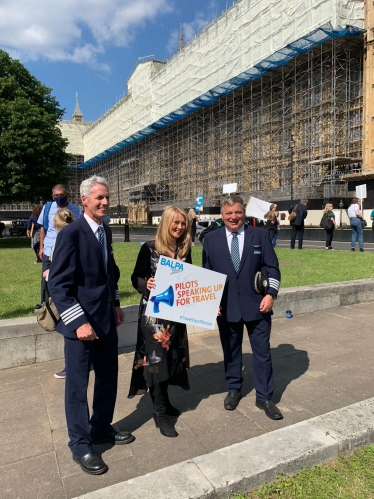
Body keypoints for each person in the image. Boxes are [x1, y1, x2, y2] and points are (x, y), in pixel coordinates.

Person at [48, 176, 134, 475]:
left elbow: (109, 273)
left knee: (108, 378)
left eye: (107, 197)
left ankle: (100, 428)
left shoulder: (105, 231)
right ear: (84, 200)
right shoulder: (71, 234)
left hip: (106, 321)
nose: (105, 202)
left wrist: (116, 305)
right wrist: (78, 322)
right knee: (77, 387)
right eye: (99, 198)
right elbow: (58, 285)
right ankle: (80, 445)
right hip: (81, 326)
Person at [203, 195, 283, 420]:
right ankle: (234, 389)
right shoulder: (210, 240)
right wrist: (210, 303)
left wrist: (271, 294)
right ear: (222, 215)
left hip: (258, 306)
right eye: (228, 214)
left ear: (243, 213)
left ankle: (265, 397)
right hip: (226, 307)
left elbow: (273, 267)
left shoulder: (260, 235)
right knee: (231, 352)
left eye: (237, 212)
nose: (233, 217)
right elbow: (207, 274)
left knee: (263, 353)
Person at [128, 206, 191, 438]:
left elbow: (190, 281)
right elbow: (135, 277)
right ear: (165, 223)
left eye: (183, 223)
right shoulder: (149, 248)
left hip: (176, 315)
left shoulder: (184, 249)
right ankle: (160, 413)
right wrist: (147, 285)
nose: (179, 227)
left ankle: (164, 402)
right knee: (156, 362)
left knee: (172, 359)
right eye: (175, 223)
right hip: (153, 317)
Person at [37, 184, 81, 379]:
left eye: (61, 196)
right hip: (50, 256)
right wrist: (42, 249)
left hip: (61, 261)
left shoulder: (76, 211)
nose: (58, 199)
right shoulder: (47, 209)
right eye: (56, 196)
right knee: (51, 295)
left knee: (61, 299)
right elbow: (42, 229)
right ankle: (52, 317)